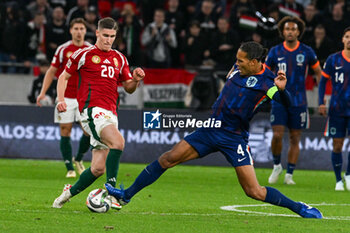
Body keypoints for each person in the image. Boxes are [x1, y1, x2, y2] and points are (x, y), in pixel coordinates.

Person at [105, 41, 323, 219]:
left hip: (234, 137)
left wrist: (282, 90)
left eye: (241, 60)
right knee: (167, 158)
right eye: (237, 59)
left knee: (253, 191)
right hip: (210, 128)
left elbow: (286, 102)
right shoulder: (237, 70)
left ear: (255, 62)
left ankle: (299, 208)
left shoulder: (268, 82)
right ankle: (126, 195)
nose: (236, 63)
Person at [52, 17, 145, 210]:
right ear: (97, 33)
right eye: (105, 35)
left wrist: (135, 80)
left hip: (111, 113)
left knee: (97, 169)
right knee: (118, 142)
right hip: (91, 111)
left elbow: (128, 88)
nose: (108, 40)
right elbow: (64, 76)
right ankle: (112, 194)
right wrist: (60, 99)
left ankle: (66, 194)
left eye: (112, 36)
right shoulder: (83, 54)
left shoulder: (119, 58)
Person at [265, 16, 322, 185]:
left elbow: (318, 73)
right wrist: (268, 93)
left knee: (295, 138)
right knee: (277, 135)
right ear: (282, 32)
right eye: (287, 29)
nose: (290, 32)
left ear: (299, 32)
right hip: (279, 101)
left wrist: (321, 98)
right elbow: (266, 74)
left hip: (299, 102)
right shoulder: (275, 51)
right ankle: (276, 166)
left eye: (293, 29)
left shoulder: (306, 51)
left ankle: (289, 174)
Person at [37, 18, 91, 178]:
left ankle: (79, 158)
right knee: (65, 130)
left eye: (82, 28)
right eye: (76, 28)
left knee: (88, 131)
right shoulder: (63, 49)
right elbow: (52, 71)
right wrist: (42, 92)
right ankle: (69, 167)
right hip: (65, 97)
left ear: (85, 31)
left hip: (83, 98)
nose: (79, 31)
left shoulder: (90, 49)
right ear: (71, 31)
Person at [318, 27, 350, 191]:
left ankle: (349, 175)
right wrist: (321, 102)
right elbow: (323, 81)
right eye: (347, 37)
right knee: (337, 145)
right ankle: (338, 179)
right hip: (337, 108)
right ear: (342, 40)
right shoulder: (333, 59)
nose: (349, 39)